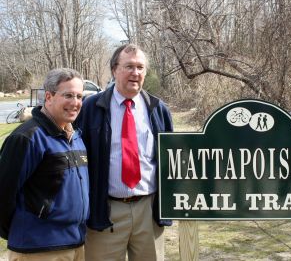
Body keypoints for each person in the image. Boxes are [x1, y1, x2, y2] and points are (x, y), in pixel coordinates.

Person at [76, 43, 173, 261]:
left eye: (140, 67)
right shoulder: (91, 109)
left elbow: (171, 161)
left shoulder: (158, 109)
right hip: (106, 211)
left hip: (148, 210)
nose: (135, 73)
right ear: (114, 70)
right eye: (129, 66)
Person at [0, 68, 89, 261]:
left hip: (76, 245)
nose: (75, 103)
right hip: (38, 249)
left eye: (79, 96)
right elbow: (3, 194)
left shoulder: (76, 138)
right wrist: (21, 233)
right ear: (49, 97)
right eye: (68, 95)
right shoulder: (27, 137)